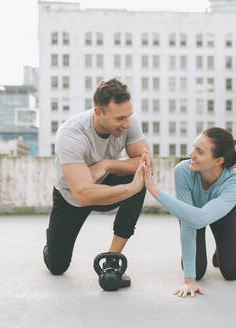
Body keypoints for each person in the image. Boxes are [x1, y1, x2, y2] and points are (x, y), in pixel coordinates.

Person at [43, 78, 152, 288]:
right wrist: (131, 188)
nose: (127, 124)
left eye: (128, 116)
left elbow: (146, 163)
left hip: (105, 182)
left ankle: (112, 260)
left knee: (140, 176)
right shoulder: (71, 134)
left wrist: (107, 164)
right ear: (98, 112)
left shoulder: (128, 121)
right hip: (72, 196)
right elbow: (84, 194)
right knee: (57, 266)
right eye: (120, 118)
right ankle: (52, 242)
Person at [142, 127, 236, 297]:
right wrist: (189, 280)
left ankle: (221, 251)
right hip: (193, 213)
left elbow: (201, 218)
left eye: (199, 151)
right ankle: (209, 258)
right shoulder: (183, 171)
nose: (191, 154)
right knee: (196, 271)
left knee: (231, 272)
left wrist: (153, 188)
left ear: (218, 161)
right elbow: (191, 222)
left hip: (223, 214)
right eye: (194, 147)